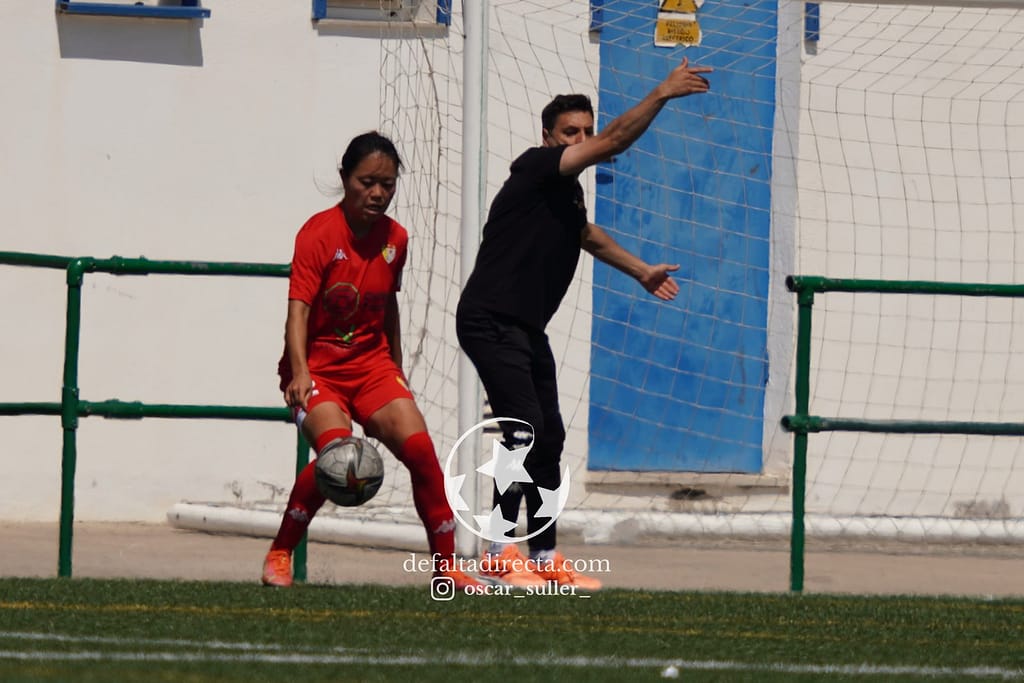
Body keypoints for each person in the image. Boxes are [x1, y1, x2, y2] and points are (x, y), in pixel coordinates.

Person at [456, 57, 712, 590]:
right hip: (489, 320)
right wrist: (661, 92)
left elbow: (587, 235)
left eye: (586, 130)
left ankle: (544, 556)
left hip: (525, 328)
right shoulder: (534, 167)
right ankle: (500, 550)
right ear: (547, 137)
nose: (582, 138)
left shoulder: (566, 194)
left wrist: (641, 270)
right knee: (523, 431)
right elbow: (617, 140)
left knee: (549, 437)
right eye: (571, 132)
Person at [262, 131, 481, 591]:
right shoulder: (317, 234)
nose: (378, 192)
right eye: (367, 182)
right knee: (338, 456)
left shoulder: (396, 238)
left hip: (373, 366)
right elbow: (297, 309)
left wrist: (395, 369)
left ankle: (449, 570)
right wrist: (300, 372)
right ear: (345, 179)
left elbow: (390, 307)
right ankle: (281, 552)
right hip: (318, 370)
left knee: (423, 454)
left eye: (388, 183)